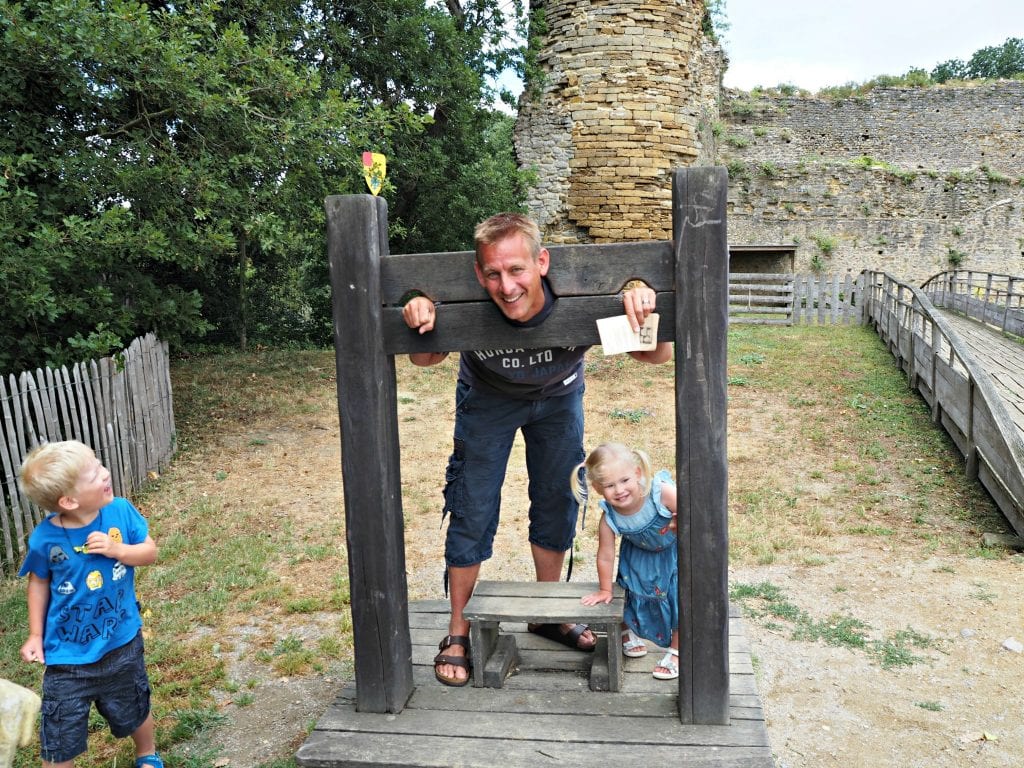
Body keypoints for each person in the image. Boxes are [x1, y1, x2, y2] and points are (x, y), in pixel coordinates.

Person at [402, 212, 672, 686]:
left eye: (517, 270)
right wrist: (420, 309)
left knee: (556, 499)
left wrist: (641, 304)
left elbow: (656, 355)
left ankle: (547, 611)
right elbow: (425, 358)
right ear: (477, 274)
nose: (506, 287)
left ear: (542, 262)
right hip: (487, 397)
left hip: (559, 397)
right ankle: (458, 630)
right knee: (472, 504)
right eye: (492, 273)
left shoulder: (582, 299)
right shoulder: (472, 299)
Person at [17, 440, 162, 768]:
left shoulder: (120, 511)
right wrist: (35, 634)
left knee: (135, 704)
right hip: (67, 659)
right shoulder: (44, 539)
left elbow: (149, 552)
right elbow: (38, 583)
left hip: (121, 640)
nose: (105, 472)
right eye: (95, 472)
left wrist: (118, 551)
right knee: (59, 731)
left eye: (99, 464)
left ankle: (147, 754)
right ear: (68, 500)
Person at [575, 442, 680, 680]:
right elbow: (605, 553)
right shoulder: (610, 516)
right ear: (598, 488)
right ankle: (625, 630)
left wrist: (680, 517)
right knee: (629, 593)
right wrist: (605, 589)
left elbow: (694, 507)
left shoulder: (660, 493)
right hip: (638, 558)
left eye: (624, 481)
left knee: (677, 600)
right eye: (609, 485)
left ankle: (676, 651)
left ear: (637, 474)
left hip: (672, 556)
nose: (619, 490)